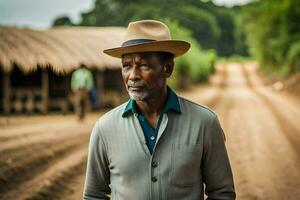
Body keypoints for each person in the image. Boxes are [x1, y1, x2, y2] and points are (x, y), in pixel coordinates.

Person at [83, 20, 236, 200]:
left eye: (144, 65)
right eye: (126, 66)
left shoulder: (204, 122)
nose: (132, 75)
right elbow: (94, 195)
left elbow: (222, 193)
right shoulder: (105, 127)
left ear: (167, 68)